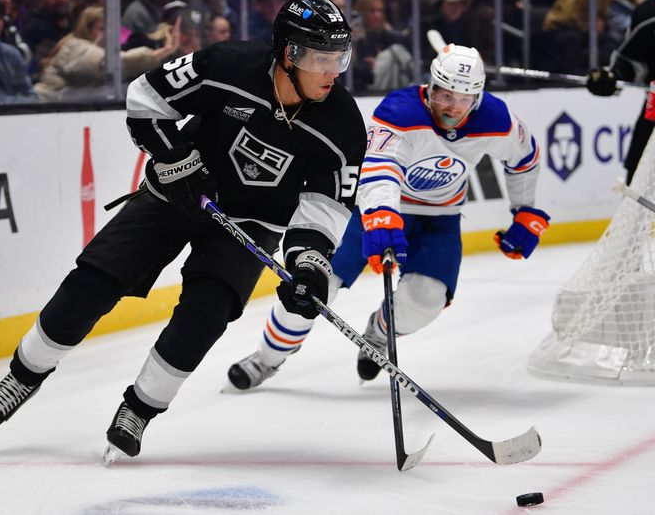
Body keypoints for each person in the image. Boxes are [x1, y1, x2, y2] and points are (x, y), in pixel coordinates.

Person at [0, 0, 366, 461]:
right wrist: (176, 159)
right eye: (323, 58)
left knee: (207, 312)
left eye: (340, 58)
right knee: (93, 280)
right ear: (289, 54)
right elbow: (145, 97)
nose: (333, 70)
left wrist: (311, 265)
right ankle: (24, 375)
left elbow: (324, 206)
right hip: (177, 192)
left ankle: (139, 408)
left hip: (253, 220)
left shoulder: (343, 126)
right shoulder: (227, 64)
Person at [227, 43, 549, 390]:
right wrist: (381, 214)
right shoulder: (400, 111)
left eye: (463, 98)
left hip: (437, 219)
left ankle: (379, 332)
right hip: (367, 211)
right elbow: (380, 168)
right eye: (444, 95)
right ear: (430, 86)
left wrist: (525, 209)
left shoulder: (497, 121)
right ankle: (267, 358)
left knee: (427, 299)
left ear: (478, 97)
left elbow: (524, 157)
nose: (453, 107)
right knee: (315, 284)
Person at [33, 5, 178, 100]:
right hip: (42, 106)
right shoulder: (75, 47)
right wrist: (158, 54)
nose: (109, 34)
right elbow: (110, 64)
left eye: (111, 29)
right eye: (101, 28)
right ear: (87, 29)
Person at [586, 0, 655, 184]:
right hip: (653, 120)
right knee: (639, 188)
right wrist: (613, 76)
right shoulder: (650, 14)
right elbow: (632, 62)